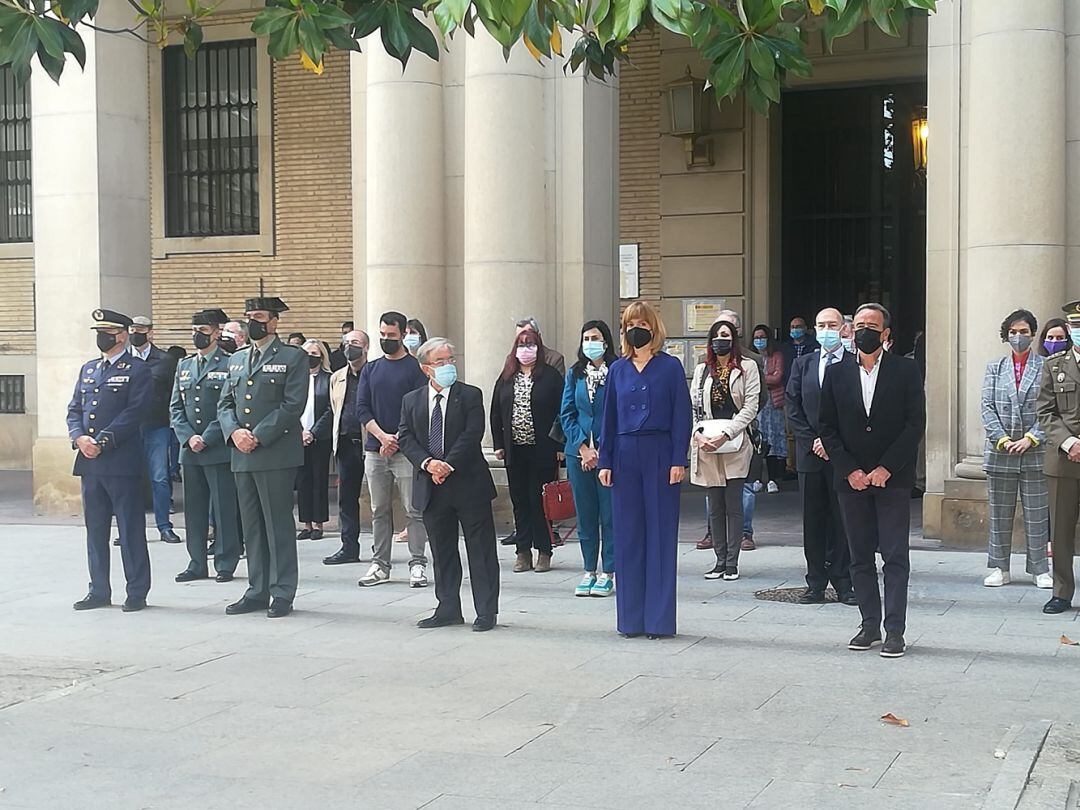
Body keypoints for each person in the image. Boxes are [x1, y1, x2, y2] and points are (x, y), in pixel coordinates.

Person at [819, 303, 925, 658]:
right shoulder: (835, 374)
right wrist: (850, 469)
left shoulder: (906, 371)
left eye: (872, 325)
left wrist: (886, 468)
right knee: (860, 555)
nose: (864, 330)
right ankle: (869, 624)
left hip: (891, 481)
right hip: (851, 481)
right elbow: (828, 428)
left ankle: (895, 630)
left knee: (895, 556)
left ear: (885, 334)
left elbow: (914, 426)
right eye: (859, 324)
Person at [599, 301, 692, 639]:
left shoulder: (669, 367)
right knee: (628, 536)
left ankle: (659, 621)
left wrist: (677, 459)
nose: (636, 328)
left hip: (659, 452)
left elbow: (682, 415)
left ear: (653, 327)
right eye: (629, 323)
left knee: (660, 536)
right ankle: (630, 620)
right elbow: (607, 418)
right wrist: (605, 460)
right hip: (624, 454)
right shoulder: (617, 370)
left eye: (642, 322)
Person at [398, 338, 501, 631]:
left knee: (480, 551)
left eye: (451, 360)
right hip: (431, 485)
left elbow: (472, 434)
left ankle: (485, 611)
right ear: (426, 368)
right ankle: (447, 608)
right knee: (442, 551)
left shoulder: (470, 395)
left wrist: (447, 464)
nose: (448, 366)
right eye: (441, 362)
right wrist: (429, 464)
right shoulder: (412, 400)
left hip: (468, 483)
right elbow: (405, 437)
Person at [218, 295, 308, 618]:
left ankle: (282, 590)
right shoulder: (237, 359)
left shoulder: (292, 357)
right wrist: (235, 432)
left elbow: (292, 404)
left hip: (275, 452)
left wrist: (258, 435)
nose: (253, 321)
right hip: (242, 454)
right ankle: (257, 589)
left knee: (277, 524)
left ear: (274, 320)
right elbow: (225, 403)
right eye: (249, 316)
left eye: (258, 316)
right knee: (252, 525)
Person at [68, 309, 153, 612]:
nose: (101, 338)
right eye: (98, 332)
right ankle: (99, 590)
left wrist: (102, 441)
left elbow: (134, 412)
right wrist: (79, 438)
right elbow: (75, 409)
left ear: (123, 334)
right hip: (89, 463)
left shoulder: (138, 370)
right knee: (96, 530)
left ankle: (137, 591)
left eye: (107, 332)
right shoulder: (89, 369)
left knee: (130, 530)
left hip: (120, 461)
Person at [785, 307, 857, 605]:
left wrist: (832, 444)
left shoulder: (854, 364)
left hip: (843, 456)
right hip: (810, 455)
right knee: (813, 521)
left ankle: (844, 582)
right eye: (821, 324)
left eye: (832, 324)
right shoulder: (803, 364)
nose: (827, 329)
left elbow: (858, 410)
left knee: (843, 521)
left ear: (843, 328)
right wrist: (812, 440)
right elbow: (793, 406)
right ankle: (815, 582)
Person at [356, 310, 430, 587]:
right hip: (375, 451)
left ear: (402, 335)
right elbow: (362, 408)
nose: (386, 339)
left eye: (392, 335)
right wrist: (381, 436)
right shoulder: (371, 369)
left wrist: (395, 438)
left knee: (414, 509)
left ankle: (418, 563)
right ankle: (380, 564)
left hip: (406, 451)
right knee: (379, 509)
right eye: (383, 335)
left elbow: (419, 407)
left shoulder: (415, 369)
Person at [980, 309, 1051, 589]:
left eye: (1023, 331)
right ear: (1005, 334)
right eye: (1013, 332)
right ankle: (1000, 566)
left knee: (1036, 512)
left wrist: (1031, 438)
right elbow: (986, 406)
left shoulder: (1046, 366)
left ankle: (1039, 569)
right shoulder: (994, 367)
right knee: (999, 512)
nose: (1018, 337)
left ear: (1033, 334)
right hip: (1002, 451)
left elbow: (1051, 410)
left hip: (1034, 451)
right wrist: (1002, 438)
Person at [170, 308, 241, 584]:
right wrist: (188, 437)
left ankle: (225, 562)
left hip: (217, 447)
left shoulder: (229, 363)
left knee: (224, 508)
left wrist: (207, 437)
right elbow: (175, 407)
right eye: (194, 330)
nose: (197, 335)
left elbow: (229, 407)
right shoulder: (184, 365)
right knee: (195, 510)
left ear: (216, 332)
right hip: (190, 449)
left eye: (202, 331)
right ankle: (197, 562)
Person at [691, 320, 760, 582]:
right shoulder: (702, 370)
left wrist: (728, 433)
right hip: (708, 443)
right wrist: (699, 435)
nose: (721, 340)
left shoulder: (748, 367)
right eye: (717, 335)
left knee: (734, 504)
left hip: (734, 442)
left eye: (726, 335)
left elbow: (751, 406)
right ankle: (718, 561)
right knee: (714, 506)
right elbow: (695, 406)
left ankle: (732, 562)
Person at [492, 326, 563, 573]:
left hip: (542, 450)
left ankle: (544, 550)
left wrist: (560, 446)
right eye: (521, 344)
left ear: (539, 347)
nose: (526, 349)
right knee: (520, 501)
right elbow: (495, 412)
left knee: (538, 501)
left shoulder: (551, 376)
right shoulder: (506, 377)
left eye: (530, 344)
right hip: (515, 451)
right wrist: (499, 445)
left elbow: (562, 412)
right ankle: (522, 552)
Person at [560, 320, 617, 597]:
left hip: (609, 456)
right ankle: (588, 570)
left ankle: (608, 571)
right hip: (578, 455)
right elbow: (567, 413)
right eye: (586, 338)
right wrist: (583, 448)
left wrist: (601, 453)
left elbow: (618, 416)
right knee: (585, 516)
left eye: (595, 337)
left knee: (609, 514)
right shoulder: (575, 374)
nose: (590, 342)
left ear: (605, 342)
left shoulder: (617, 371)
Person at [1036, 300, 1080, 615]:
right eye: (1076, 327)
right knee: (1061, 532)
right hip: (1064, 459)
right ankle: (1061, 592)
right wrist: (1068, 442)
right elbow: (1045, 411)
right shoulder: (1055, 365)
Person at [128, 314, 181, 544]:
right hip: (128, 429)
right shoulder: (122, 359)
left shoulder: (165, 360)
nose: (135, 334)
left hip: (156, 425)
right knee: (129, 478)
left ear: (150, 332)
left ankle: (164, 526)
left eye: (140, 329)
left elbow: (173, 393)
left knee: (159, 477)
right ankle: (130, 528)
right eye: (132, 329)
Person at [323, 329, 370, 565]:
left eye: (356, 342)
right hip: (344, 442)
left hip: (370, 443)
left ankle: (381, 548)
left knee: (380, 500)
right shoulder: (337, 377)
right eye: (347, 342)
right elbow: (334, 408)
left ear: (366, 347)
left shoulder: (374, 373)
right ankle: (349, 547)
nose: (350, 346)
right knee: (347, 499)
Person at [297, 339, 334, 540]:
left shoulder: (328, 379)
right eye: (307, 353)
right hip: (297, 436)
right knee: (302, 480)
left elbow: (331, 409)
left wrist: (313, 432)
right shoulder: (295, 379)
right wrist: (300, 432)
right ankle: (306, 524)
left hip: (319, 437)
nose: (311, 357)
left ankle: (319, 524)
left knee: (319, 479)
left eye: (315, 353)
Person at [752, 324, 787, 494]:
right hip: (756, 404)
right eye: (756, 337)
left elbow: (777, 377)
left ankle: (773, 479)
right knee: (757, 441)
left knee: (773, 440)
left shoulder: (776, 356)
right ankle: (757, 478)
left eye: (762, 337)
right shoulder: (751, 358)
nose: (759, 340)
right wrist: (766, 379)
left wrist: (758, 379)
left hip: (773, 403)